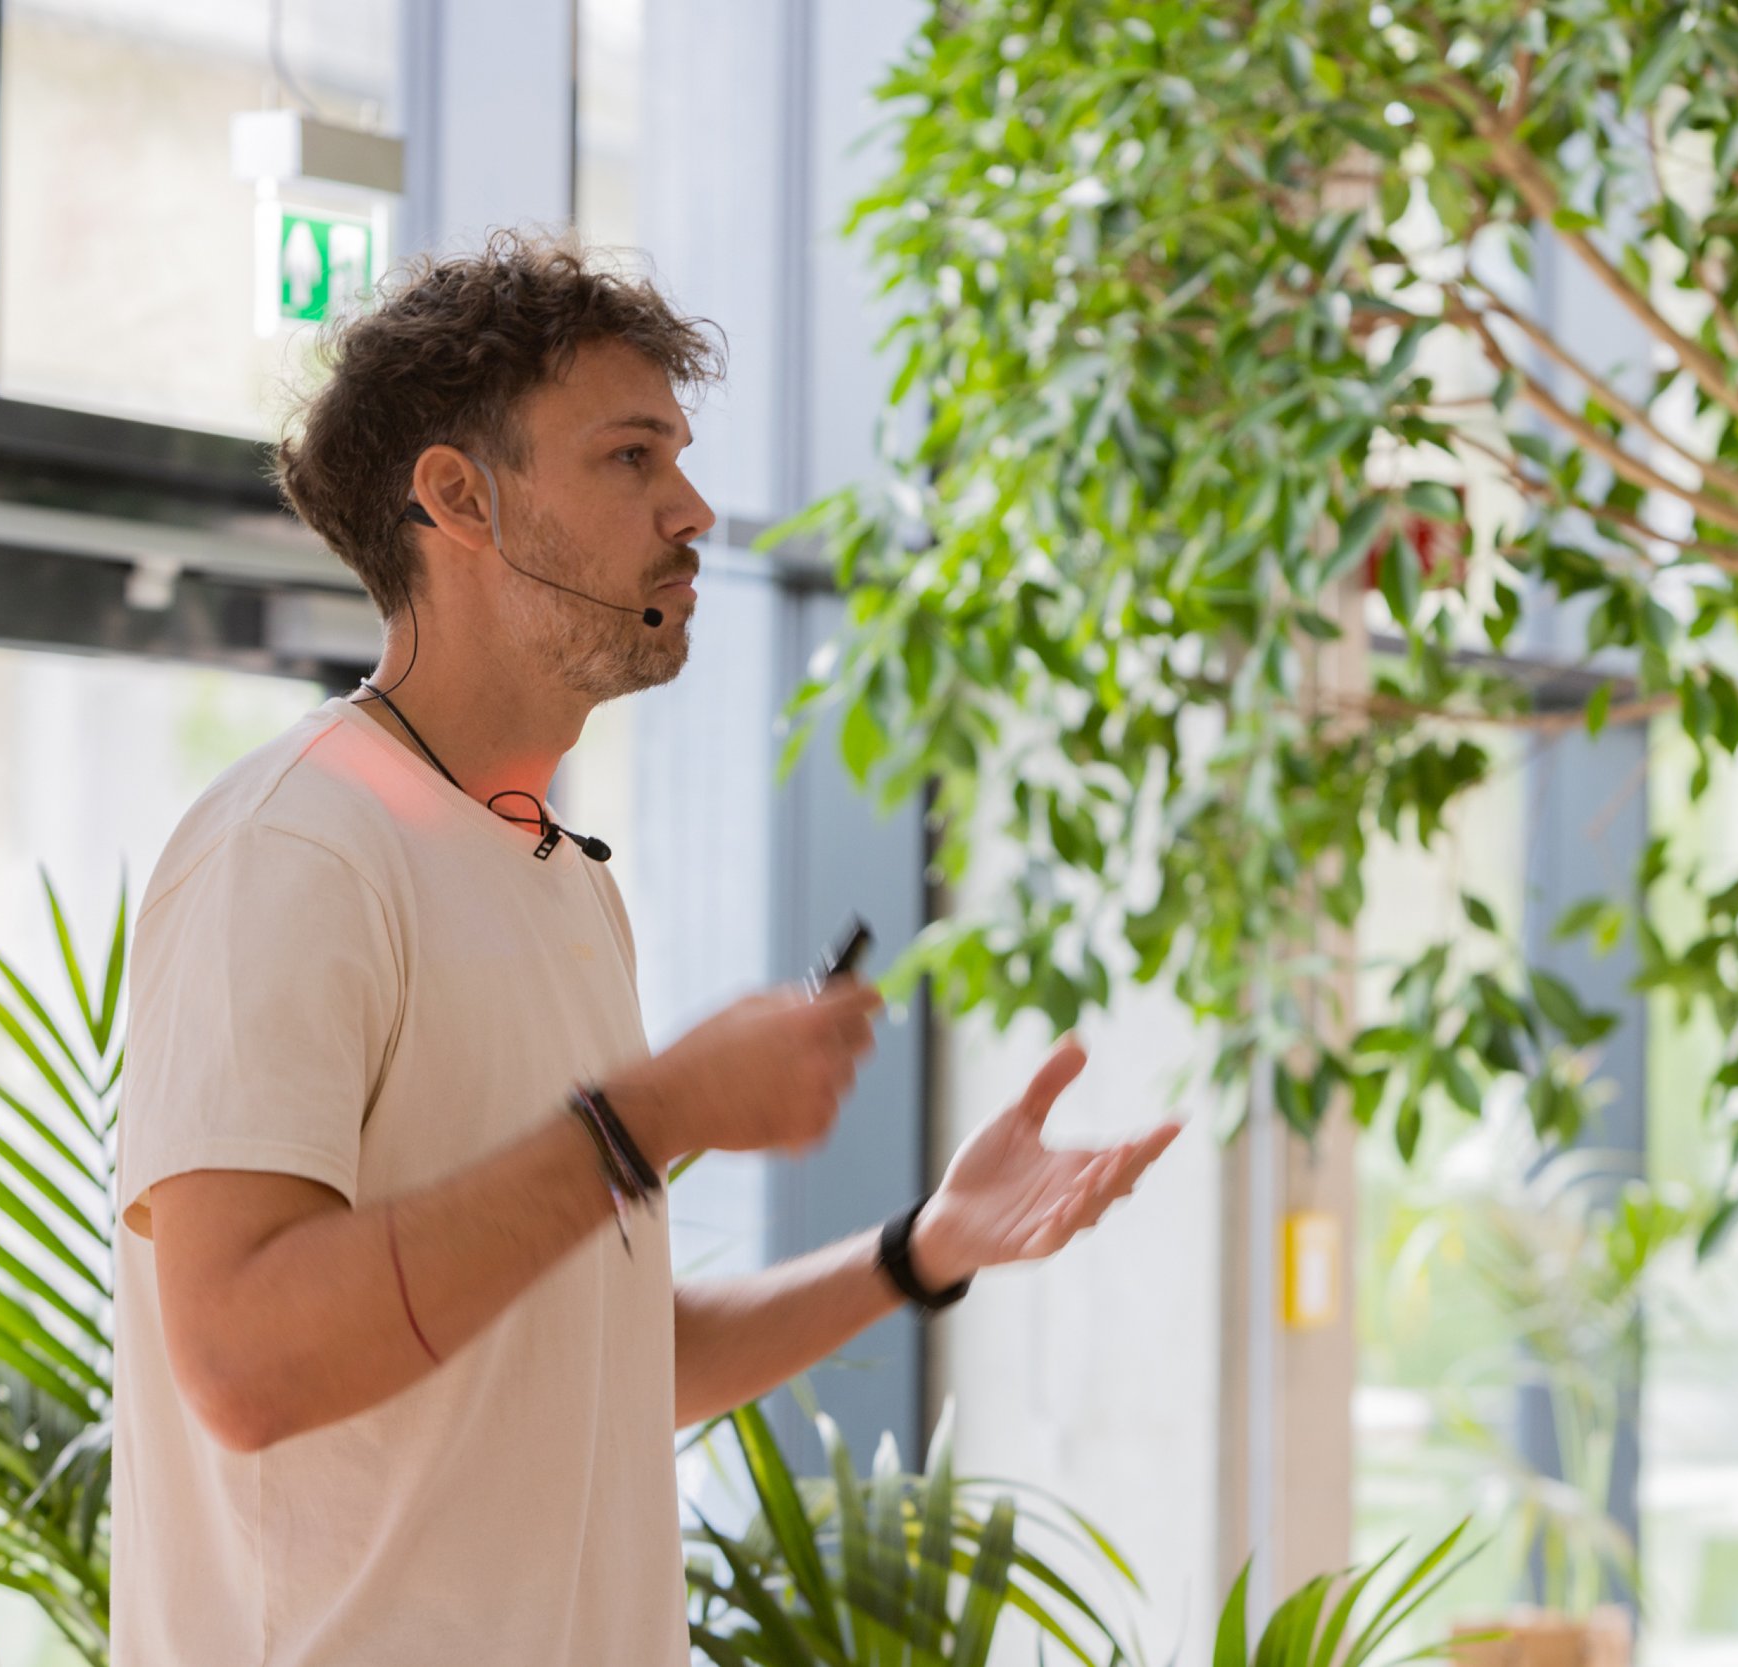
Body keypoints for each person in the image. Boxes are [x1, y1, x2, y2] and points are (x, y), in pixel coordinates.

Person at [111, 230, 1181, 1667]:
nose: (694, 510)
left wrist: (919, 1252)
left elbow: (595, 1368)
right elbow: (243, 1361)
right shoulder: (291, 847)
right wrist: (656, 1113)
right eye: (631, 459)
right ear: (457, 498)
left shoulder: (558, 882)